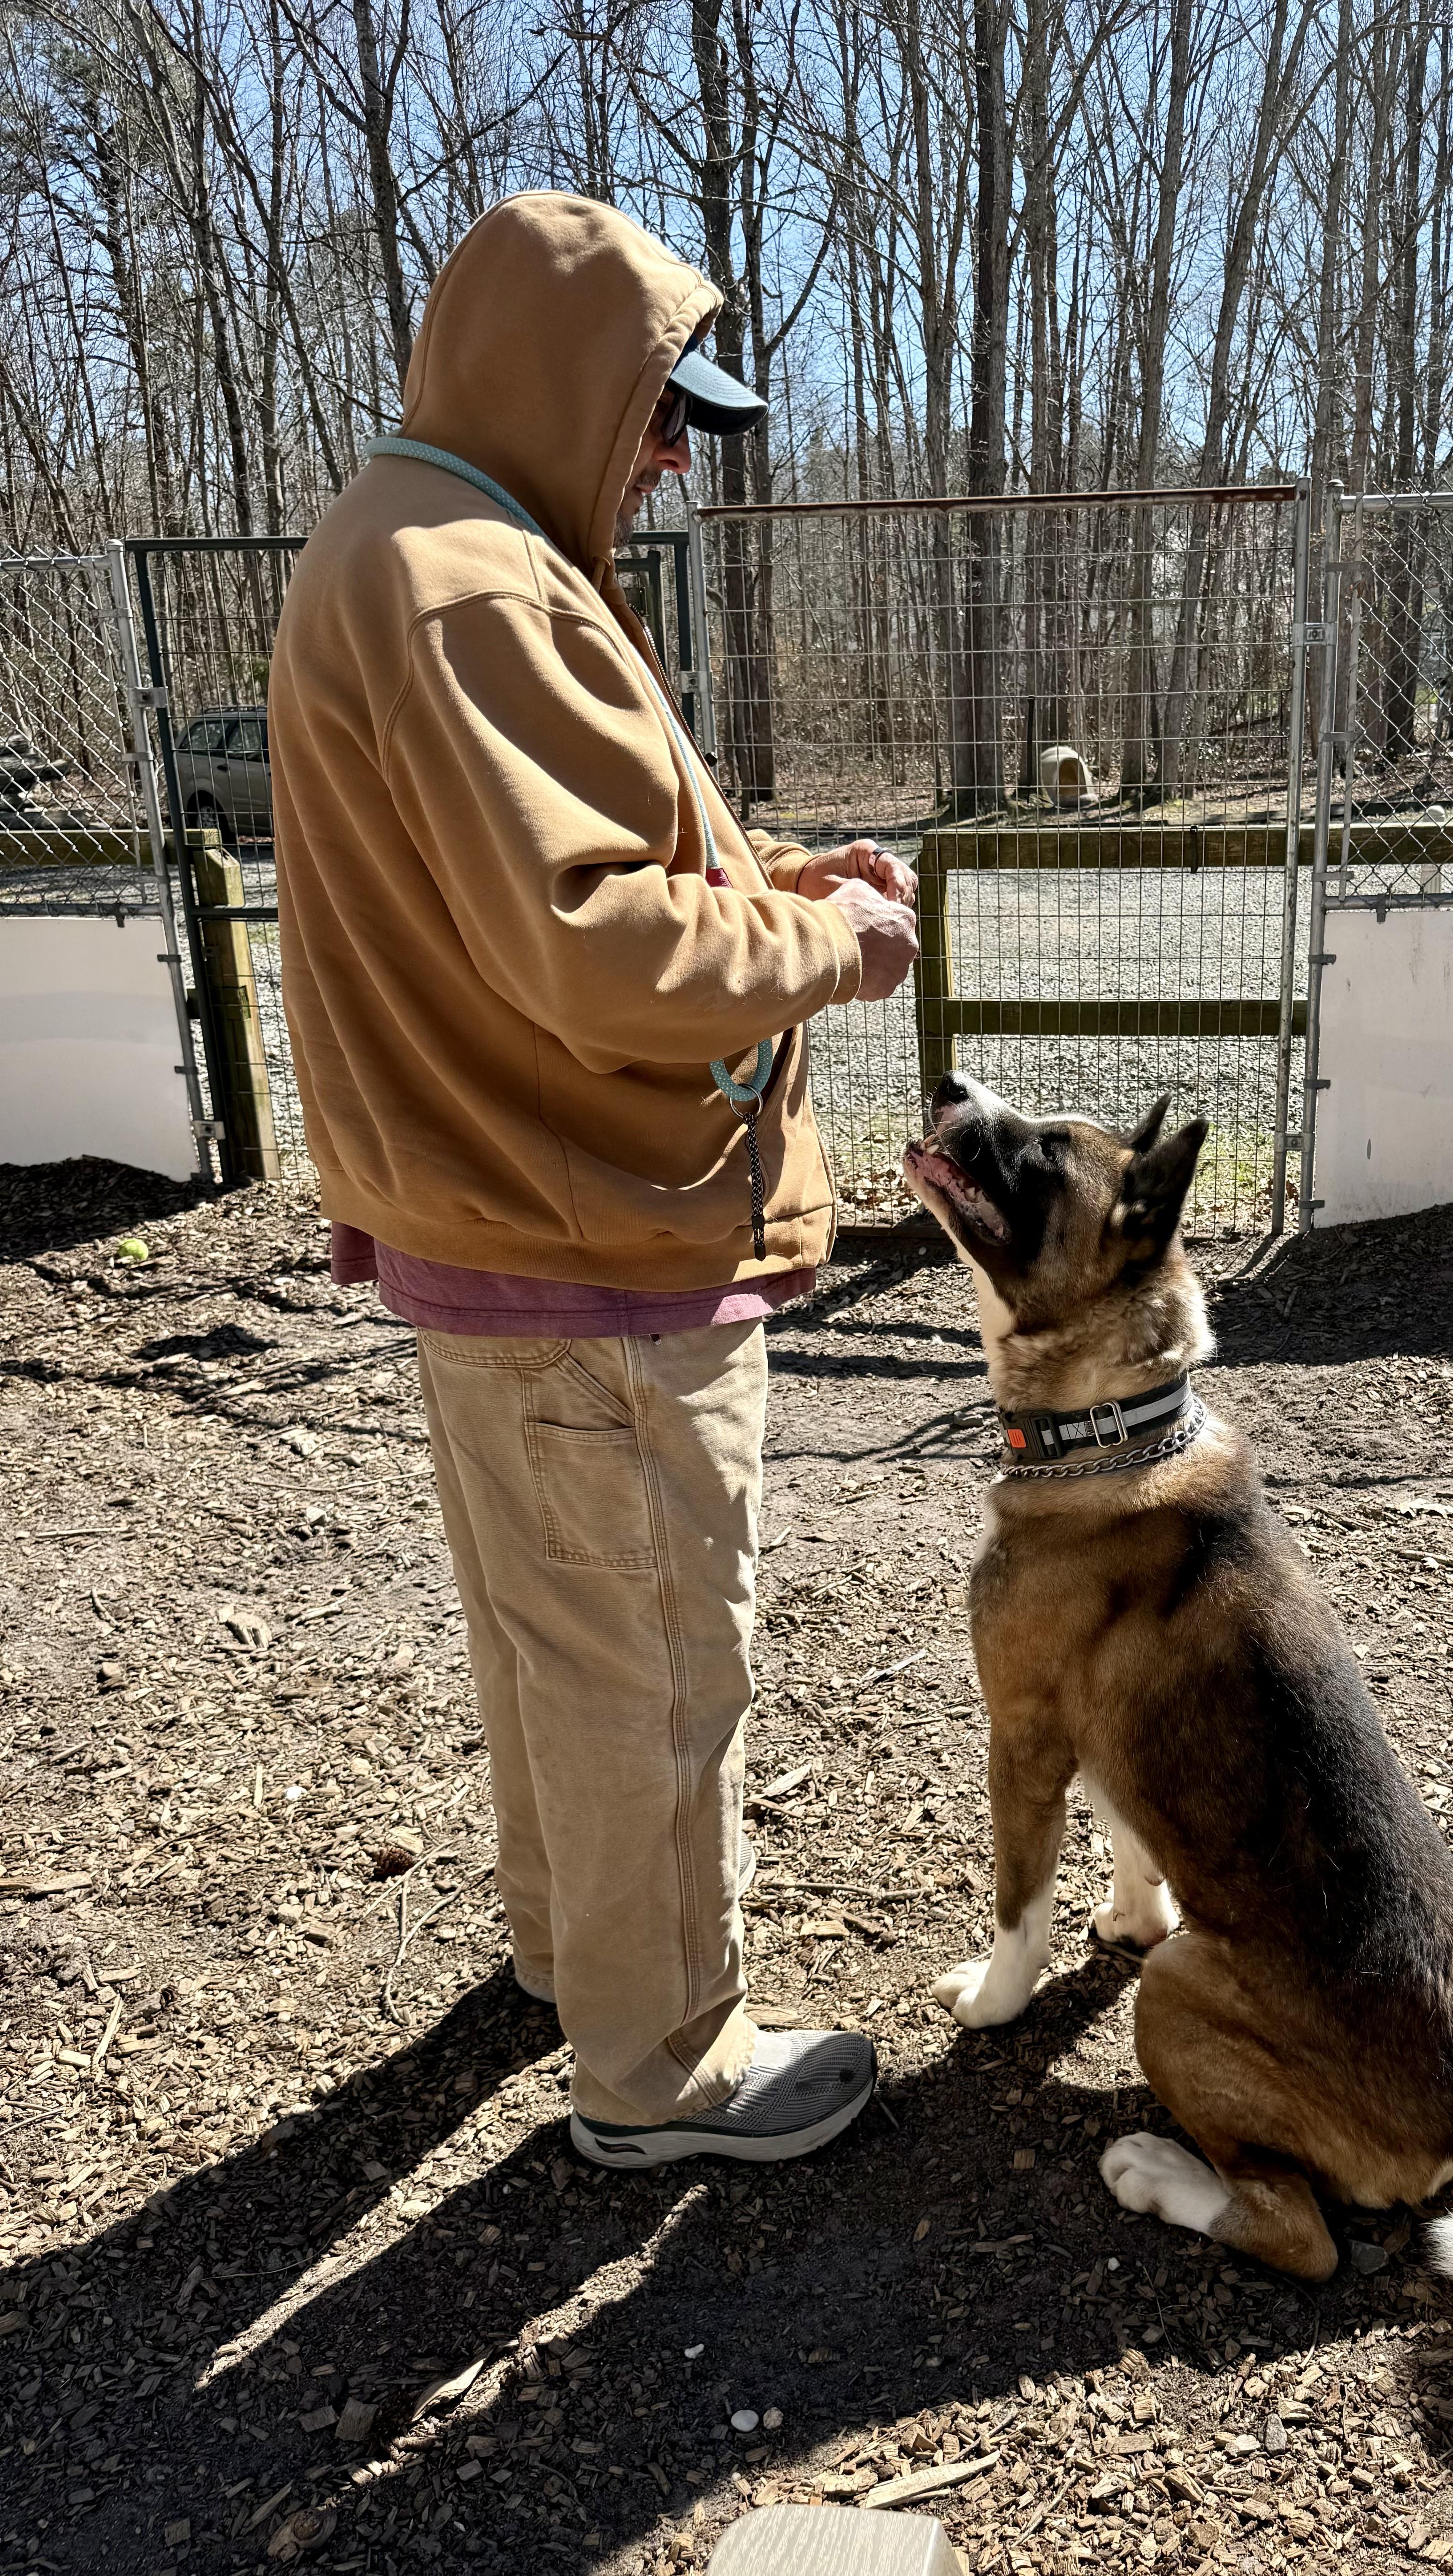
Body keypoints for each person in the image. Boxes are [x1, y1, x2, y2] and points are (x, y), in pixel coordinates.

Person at [268, 192, 920, 2169]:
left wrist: (759, 888)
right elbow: (589, 950)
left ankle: (577, 1954)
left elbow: (532, 902)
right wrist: (837, 951)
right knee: (657, 1662)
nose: (665, 461)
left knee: (558, 1637)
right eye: (656, 414)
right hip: (593, 1244)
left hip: (491, 1227)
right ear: (563, 382)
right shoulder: (479, 586)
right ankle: (666, 2071)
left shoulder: (407, 549)